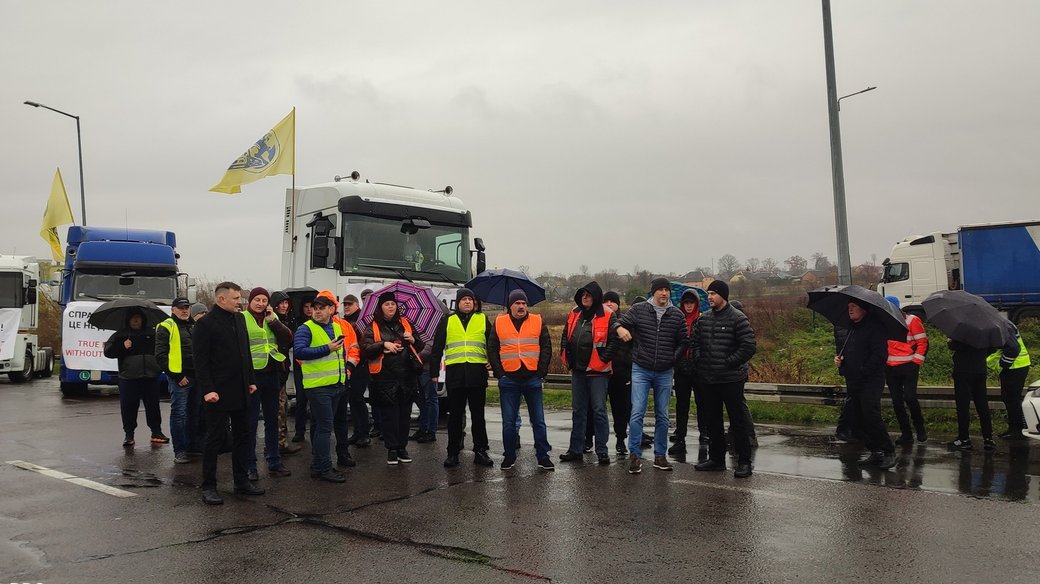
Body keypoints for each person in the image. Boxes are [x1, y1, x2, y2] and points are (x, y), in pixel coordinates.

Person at [192, 282, 263, 505]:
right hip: (218, 393)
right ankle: (209, 487)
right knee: (215, 439)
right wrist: (208, 390)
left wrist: (250, 380)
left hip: (241, 390)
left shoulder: (239, 319)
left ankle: (241, 481)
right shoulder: (205, 324)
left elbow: (246, 353)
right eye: (235, 299)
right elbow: (200, 362)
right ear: (221, 299)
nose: (239, 302)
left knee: (242, 436)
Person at [615, 278, 687, 474]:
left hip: (665, 371)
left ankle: (660, 455)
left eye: (666, 290)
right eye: (660, 290)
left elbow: (683, 341)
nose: (664, 293)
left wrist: (672, 358)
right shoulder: (639, 310)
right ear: (653, 292)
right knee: (637, 411)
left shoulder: (676, 315)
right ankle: (635, 456)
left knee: (662, 415)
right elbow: (619, 322)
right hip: (641, 368)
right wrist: (620, 328)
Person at [691, 281, 757, 478]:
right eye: (708, 293)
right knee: (713, 420)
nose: (709, 297)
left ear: (723, 296)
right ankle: (716, 459)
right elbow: (694, 342)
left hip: (730, 379)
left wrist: (729, 362)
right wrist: (699, 360)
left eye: (713, 293)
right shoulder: (704, 319)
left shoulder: (738, 318)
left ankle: (744, 462)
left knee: (737, 421)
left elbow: (748, 346)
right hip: (708, 378)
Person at [488, 289, 554, 471]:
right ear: (510, 306)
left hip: (532, 378)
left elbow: (546, 347)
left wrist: (540, 372)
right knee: (509, 422)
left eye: (524, 303)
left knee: (538, 421)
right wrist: (500, 373)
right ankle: (509, 456)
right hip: (509, 379)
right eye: (517, 303)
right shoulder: (500, 322)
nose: (521, 306)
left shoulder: (538, 321)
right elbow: (492, 348)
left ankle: (543, 456)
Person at [294, 290, 355, 482]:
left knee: (323, 426)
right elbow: (300, 351)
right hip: (318, 386)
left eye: (322, 308)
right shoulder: (306, 328)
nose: (317, 312)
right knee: (324, 428)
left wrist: (344, 373)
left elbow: (341, 354)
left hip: (336, 385)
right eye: (315, 308)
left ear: (331, 310)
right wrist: (326, 348)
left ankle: (318, 465)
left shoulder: (337, 328)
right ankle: (324, 468)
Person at [428, 289, 494, 467]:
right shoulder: (448, 320)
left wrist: (493, 363)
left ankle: (480, 451)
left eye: (470, 299)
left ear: (474, 302)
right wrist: (434, 372)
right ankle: (453, 452)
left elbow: (493, 344)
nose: (467, 302)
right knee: (455, 416)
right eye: (463, 299)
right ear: (457, 303)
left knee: (478, 416)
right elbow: (437, 348)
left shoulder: (482, 319)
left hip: (477, 375)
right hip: (455, 376)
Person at [362, 291, 425, 465]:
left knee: (405, 415)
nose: (390, 307)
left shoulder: (406, 323)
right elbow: (365, 349)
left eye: (392, 304)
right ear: (380, 308)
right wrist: (383, 345)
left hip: (406, 376)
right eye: (386, 304)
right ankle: (391, 449)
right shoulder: (372, 326)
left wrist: (412, 339)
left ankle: (402, 448)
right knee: (389, 416)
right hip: (385, 378)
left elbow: (420, 345)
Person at [832, 298, 896, 468]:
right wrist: (840, 362)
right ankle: (875, 451)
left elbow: (880, 355)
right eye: (848, 307)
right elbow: (848, 351)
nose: (850, 310)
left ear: (864, 309)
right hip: (853, 379)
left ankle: (888, 450)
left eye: (853, 306)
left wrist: (863, 371)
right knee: (858, 417)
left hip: (871, 379)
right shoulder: (851, 328)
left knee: (871, 414)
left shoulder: (875, 327)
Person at [559, 282, 618, 466]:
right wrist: (565, 356)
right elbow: (565, 336)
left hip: (598, 372)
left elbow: (614, 342)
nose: (585, 297)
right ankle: (575, 449)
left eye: (589, 294)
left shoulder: (607, 314)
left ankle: (602, 450)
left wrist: (603, 359)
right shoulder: (574, 312)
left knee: (599, 410)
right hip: (578, 370)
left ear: (596, 296)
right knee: (578, 411)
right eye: (583, 294)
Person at [242, 287, 294, 480]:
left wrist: (273, 321)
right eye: (258, 300)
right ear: (250, 301)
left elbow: (287, 338)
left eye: (264, 300)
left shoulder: (272, 318)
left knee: (273, 420)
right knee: (251, 422)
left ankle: (274, 461)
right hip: (253, 376)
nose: (261, 303)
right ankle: (250, 466)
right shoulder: (242, 318)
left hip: (272, 373)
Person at [104, 308, 166, 448]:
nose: (136, 320)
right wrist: (122, 346)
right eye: (133, 318)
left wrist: (159, 367)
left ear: (143, 319)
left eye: (138, 318)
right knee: (128, 408)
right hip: (128, 378)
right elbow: (108, 352)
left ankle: (156, 432)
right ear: (128, 320)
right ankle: (129, 435)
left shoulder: (153, 333)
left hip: (150, 377)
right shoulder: (121, 335)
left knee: (153, 407)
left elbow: (163, 349)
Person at [155, 297, 199, 463]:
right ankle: (179, 450)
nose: (185, 310)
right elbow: (160, 356)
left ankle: (191, 446)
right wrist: (177, 376)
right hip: (180, 378)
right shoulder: (166, 326)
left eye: (187, 307)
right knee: (179, 414)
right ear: (173, 309)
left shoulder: (194, 325)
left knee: (193, 413)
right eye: (181, 308)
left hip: (197, 376)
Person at [883, 296, 929, 445]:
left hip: (909, 366)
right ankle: (906, 434)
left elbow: (922, 342)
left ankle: (920, 428)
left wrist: (916, 362)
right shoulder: (883, 322)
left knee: (910, 397)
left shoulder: (912, 320)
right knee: (897, 402)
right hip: (890, 368)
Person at [329, 294, 362, 468]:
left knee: (340, 420)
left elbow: (355, 349)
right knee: (322, 424)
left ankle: (343, 454)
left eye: (330, 305)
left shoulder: (345, 325)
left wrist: (349, 368)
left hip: (343, 380)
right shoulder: (309, 327)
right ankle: (320, 460)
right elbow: (301, 355)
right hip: (321, 385)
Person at [669, 289, 701, 455]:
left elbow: (704, 345)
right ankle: (680, 437)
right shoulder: (678, 320)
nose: (689, 306)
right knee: (682, 405)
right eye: (686, 303)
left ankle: (705, 435)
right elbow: (675, 344)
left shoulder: (702, 320)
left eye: (692, 303)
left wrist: (697, 363)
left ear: (696, 304)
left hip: (698, 370)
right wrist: (679, 363)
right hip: (681, 370)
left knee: (703, 405)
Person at [269, 291, 300, 456]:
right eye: (281, 303)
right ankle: (277, 444)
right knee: (277, 408)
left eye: (286, 303)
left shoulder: (290, 320)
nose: (284, 306)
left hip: (282, 367)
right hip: (271, 369)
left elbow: (290, 341)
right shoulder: (270, 320)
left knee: (283, 406)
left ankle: (281, 442)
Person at [340, 294, 373, 449]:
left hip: (360, 364)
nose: (346, 306)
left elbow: (364, 342)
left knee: (357, 398)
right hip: (348, 364)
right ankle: (357, 432)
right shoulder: (343, 321)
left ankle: (364, 433)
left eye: (349, 304)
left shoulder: (362, 321)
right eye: (344, 304)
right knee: (352, 399)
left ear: (356, 305)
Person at [601, 291, 632, 455]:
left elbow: (633, 345)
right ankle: (592, 440)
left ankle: (621, 440)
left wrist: (627, 363)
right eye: (605, 301)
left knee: (621, 409)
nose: (609, 304)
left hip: (620, 372)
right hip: (601, 371)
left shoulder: (627, 322)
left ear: (618, 304)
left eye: (612, 301)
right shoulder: (598, 320)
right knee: (597, 409)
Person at [992, 322, 1031, 440]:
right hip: (1016, 366)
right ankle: (1016, 428)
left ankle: (1017, 430)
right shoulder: (1003, 324)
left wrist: (1004, 364)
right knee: (1009, 398)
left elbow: (1013, 348)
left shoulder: (1002, 327)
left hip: (1015, 367)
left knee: (1011, 399)